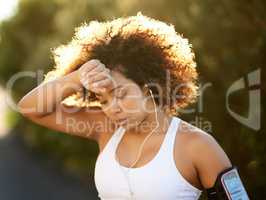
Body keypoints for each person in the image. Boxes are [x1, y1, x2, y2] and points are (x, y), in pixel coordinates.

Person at [18, 13, 246, 200]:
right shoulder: (106, 129)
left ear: (150, 87)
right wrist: (76, 79)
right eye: (103, 100)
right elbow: (30, 108)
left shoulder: (197, 145)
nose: (112, 108)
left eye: (121, 94)